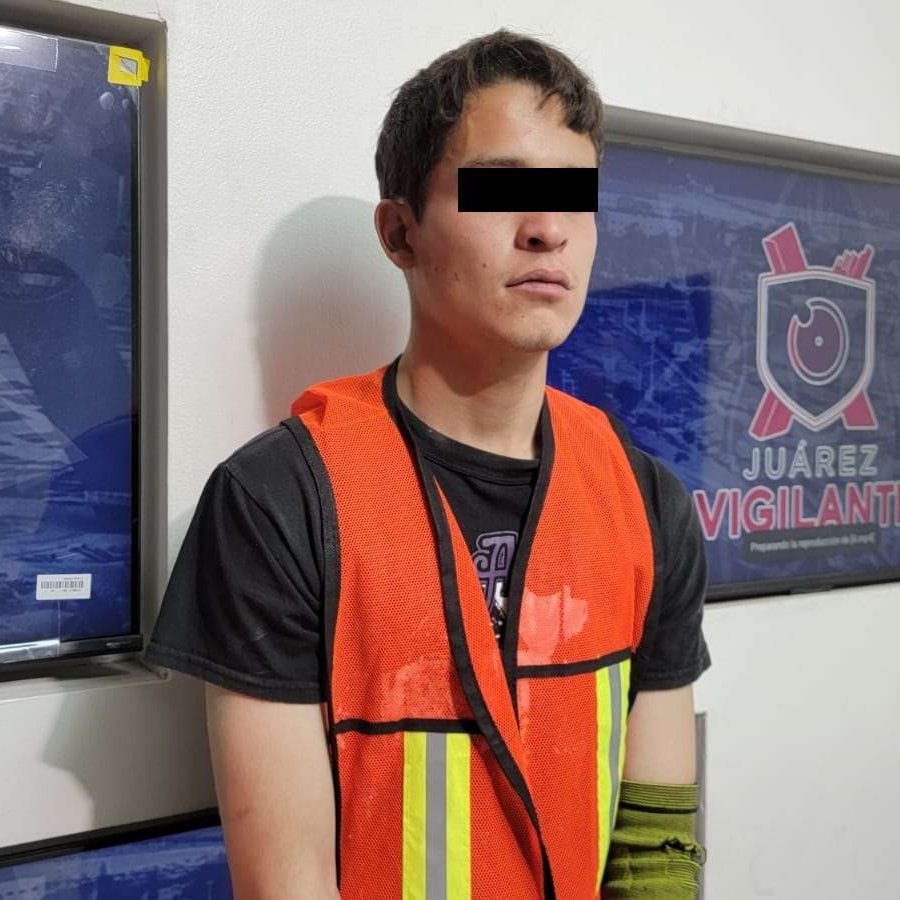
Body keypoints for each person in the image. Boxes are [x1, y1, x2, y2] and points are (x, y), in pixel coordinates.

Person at [146, 29, 711, 900]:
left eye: (574, 196)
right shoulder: (279, 502)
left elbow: (655, 854)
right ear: (400, 232)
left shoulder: (645, 500)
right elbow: (288, 886)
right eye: (501, 192)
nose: (547, 230)